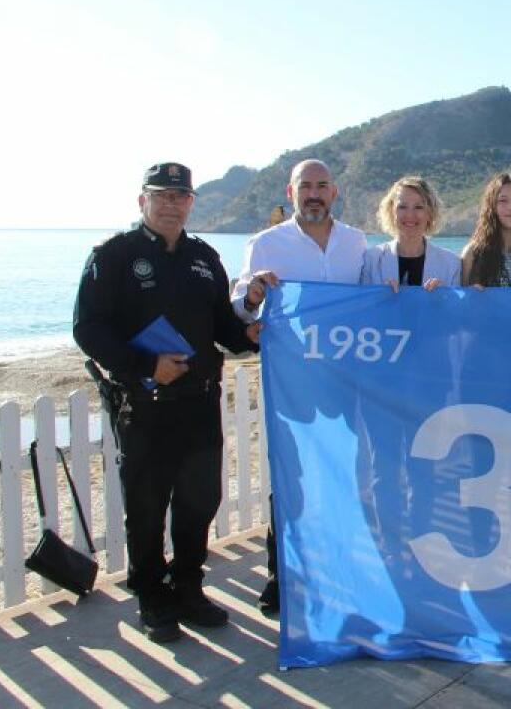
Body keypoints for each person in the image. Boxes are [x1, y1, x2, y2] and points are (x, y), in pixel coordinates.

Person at [73, 162, 258, 644]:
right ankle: (152, 596)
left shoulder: (203, 258)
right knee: (148, 504)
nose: (172, 204)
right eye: (162, 196)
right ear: (142, 201)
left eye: (181, 196)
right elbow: (88, 328)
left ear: (192, 202)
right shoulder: (114, 255)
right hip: (145, 403)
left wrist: (249, 334)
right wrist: (143, 366)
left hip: (199, 401)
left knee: (200, 501)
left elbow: (221, 325)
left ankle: (189, 586)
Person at [229, 158, 368, 615]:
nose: (313, 193)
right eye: (305, 186)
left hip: (345, 382)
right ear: (291, 194)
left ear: (335, 191)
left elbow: (367, 307)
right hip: (293, 382)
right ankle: (280, 573)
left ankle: (339, 569)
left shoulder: (356, 242)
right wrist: (252, 295)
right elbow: (242, 310)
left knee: (343, 474)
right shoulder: (266, 244)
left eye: (321, 185)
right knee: (291, 477)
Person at [361, 175, 461, 288]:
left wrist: (444, 297)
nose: (410, 215)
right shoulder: (371, 260)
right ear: (391, 211)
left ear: (430, 213)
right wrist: (379, 297)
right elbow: (362, 304)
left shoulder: (451, 264)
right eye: (402, 207)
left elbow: (458, 305)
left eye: (418, 207)